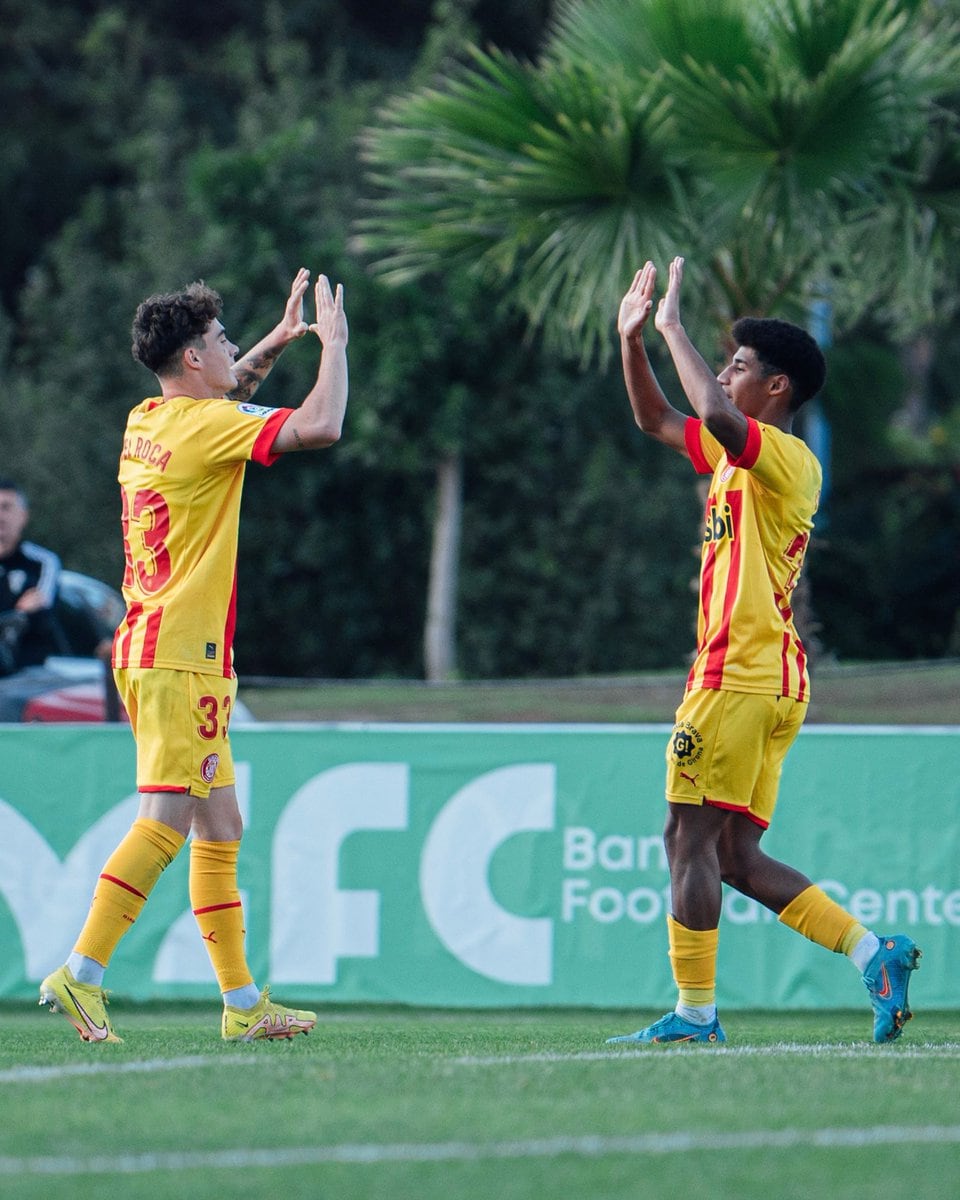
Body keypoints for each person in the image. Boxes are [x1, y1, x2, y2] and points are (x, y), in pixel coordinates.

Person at [607, 257, 920, 1045]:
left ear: (775, 389)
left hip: (736, 678)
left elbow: (710, 414)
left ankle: (695, 1014)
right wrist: (631, 340)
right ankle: (872, 953)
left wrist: (673, 325)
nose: (722, 374)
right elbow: (656, 420)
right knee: (737, 856)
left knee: (685, 839)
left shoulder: (784, 457)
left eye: (738, 366)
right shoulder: (728, 458)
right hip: (769, 681)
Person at [39, 267, 348, 1043]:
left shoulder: (149, 417)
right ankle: (81, 974)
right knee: (167, 822)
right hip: (179, 653)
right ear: (191, 362)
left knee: (221, 824)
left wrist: (277, 342)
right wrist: (333, 345)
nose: (232, 347)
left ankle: (242, 1006)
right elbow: (321, 427)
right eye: (220, 340)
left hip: (159, 646)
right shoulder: (206, 427)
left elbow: (226, 393)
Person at [0, 479, 66, 673]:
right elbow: (21, 612)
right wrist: (16, 610)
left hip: (27, 679)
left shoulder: (42, 562)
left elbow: (40, 611)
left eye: (6, 508)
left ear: (23, 515)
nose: (1, 516)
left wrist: (18, 615)